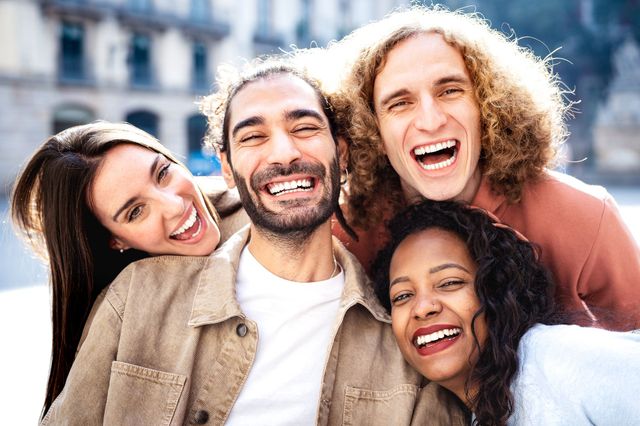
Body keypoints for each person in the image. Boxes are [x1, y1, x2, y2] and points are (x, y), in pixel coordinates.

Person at [39, 62, 465, 425]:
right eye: (253, 137)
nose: (283, 153)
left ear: (342, 153)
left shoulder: (407, 346)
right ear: (226, 167)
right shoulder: (135, 298)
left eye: (304, 126)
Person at [321, 6, 640, 330]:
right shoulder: (342, 235)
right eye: (400, 103)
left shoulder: (584, 217)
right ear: (369, 127)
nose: (431, 121)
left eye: (450, 91)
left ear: (489, 106)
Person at [10, 121, 236, 416]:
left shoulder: (262, 211)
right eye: (136, 211)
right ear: (115, 240)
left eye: (163, 173)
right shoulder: (116, 315)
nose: (174, 207)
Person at [372, 200, 640, 425]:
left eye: (450, 283)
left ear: (494, 289)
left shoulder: (556, 357)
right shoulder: (484, 410)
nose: (422, 307)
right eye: (403, 296)